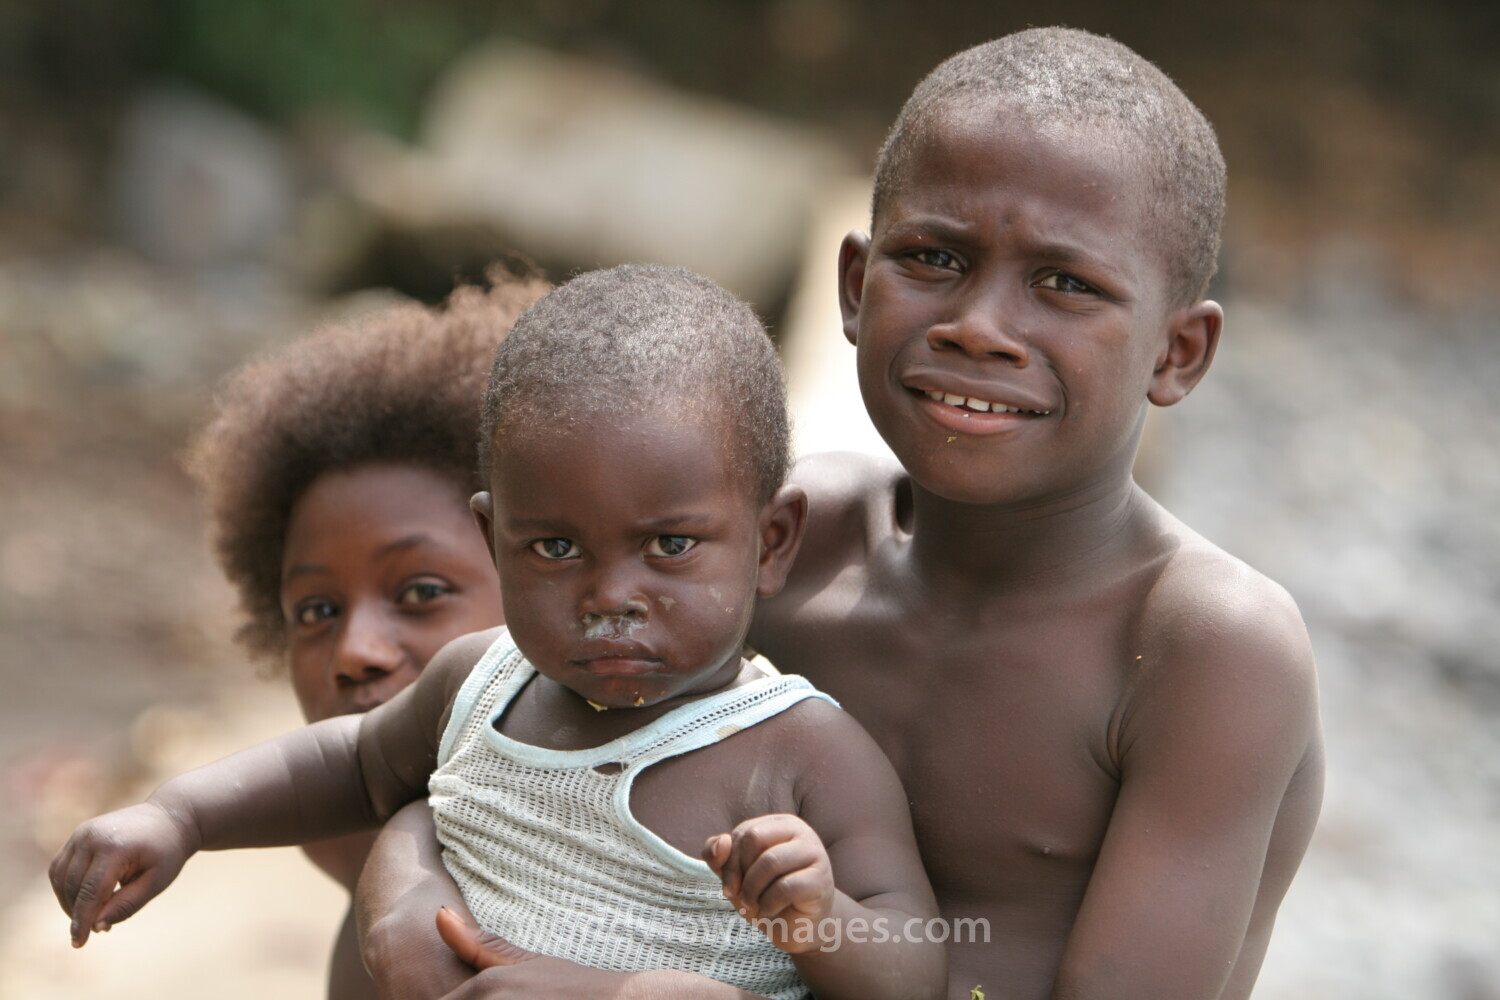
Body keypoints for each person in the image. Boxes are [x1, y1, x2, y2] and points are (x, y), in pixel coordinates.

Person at [361, 27, 1325, 1000]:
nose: (979, 326)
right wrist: (405, 897)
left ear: (1178, 353)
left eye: (1066, 282)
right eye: (935, 258)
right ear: (856, 287)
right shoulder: (791, 541)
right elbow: (488, 766)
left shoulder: (1202, 647)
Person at [51, 265, 945, 1000]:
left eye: (670, 546)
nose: (611, 596)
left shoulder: (805, 753)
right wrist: (179, 815)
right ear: (495, 542)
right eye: (555, 547)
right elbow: (350, 764)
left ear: (770, 544)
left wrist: (818, 912)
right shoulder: (479, 682)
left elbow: (916, 969)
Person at [179, 265, 548, 999]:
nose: (355, 652)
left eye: (420, 592)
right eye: (316, 611)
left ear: (548, 578)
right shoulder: (341, 831)